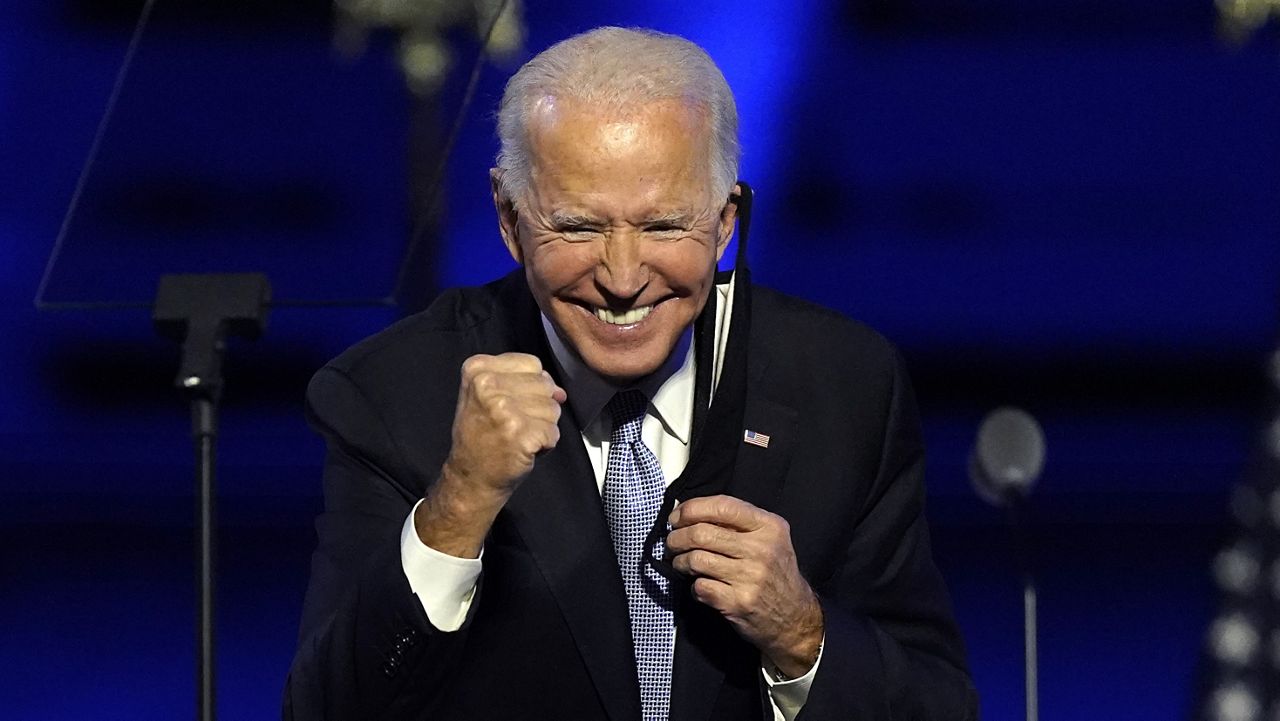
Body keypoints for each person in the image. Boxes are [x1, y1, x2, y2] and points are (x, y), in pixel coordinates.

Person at [284, 26, 976, 721]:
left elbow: (938, 706)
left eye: (665, 226)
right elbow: (326, 709)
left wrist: (800, 634)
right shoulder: (391, 393)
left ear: (725, 219)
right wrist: (457, 506)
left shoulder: (845, 385)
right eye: (579, 228)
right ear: (509, 218)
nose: (622, 278)